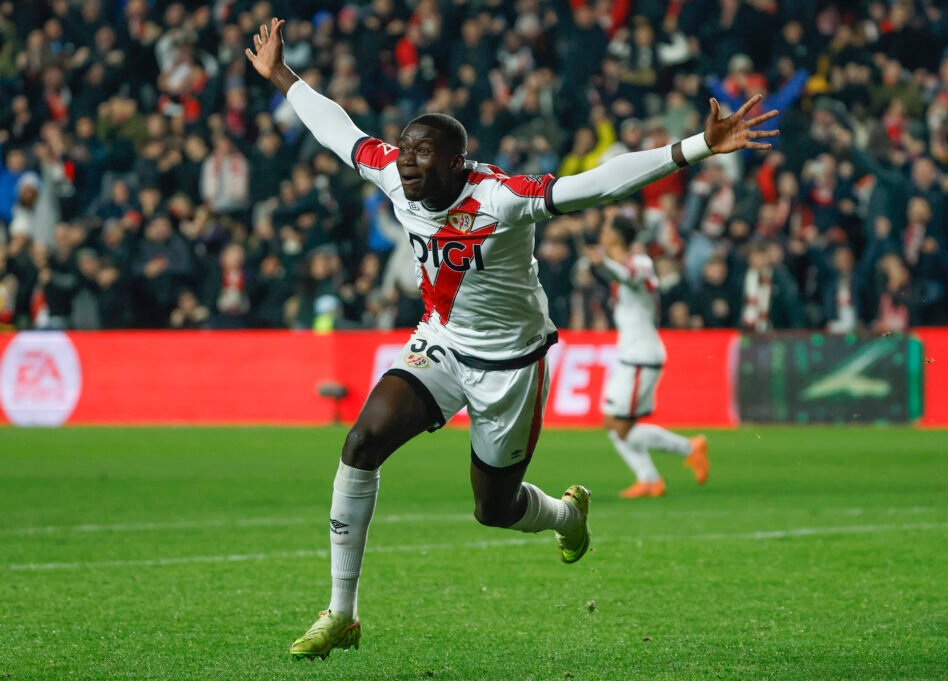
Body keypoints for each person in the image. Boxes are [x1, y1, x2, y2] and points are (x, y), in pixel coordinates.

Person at [246, 17, 777, 660]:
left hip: (510, 365)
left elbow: (596, 184)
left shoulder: (502, 197)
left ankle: (567, 516)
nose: (405, 160)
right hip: (441, 343)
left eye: (421, 153)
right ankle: (341, 612)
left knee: (493, 510)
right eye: (404, 149)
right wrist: (282, 75)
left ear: (456, 163)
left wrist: (695, 147)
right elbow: (339, 130)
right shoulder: (392, 173)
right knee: (362, 443)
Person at [586, 215, 709, 499]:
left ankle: (688, 449)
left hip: (641, 356)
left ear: (617, 236)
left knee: (619, 427)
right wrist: (600, 265)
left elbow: (628, 276)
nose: (602, 232)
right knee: (614, 425)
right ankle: (650, 479)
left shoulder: (639, 262)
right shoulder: (617, 266)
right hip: (630, 356)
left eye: (607, 228)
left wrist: (602, 264)